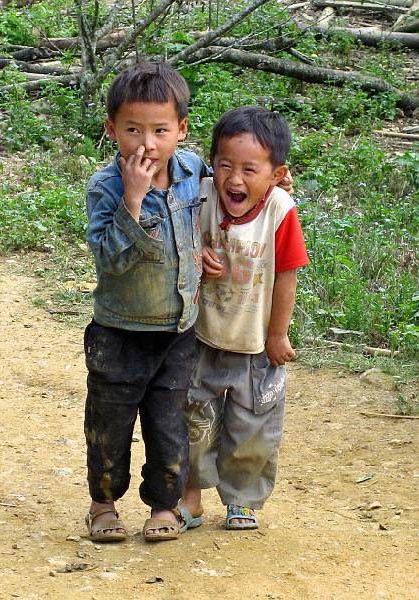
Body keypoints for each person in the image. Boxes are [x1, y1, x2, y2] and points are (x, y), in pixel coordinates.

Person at [83, 62, 210, 542]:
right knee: (109, 427)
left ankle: (163, 506)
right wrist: (132, 201)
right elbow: (109, 260)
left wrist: (265, 188)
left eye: (160, 130)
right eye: (133, 130)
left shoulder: (191, 169)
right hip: (118, 332)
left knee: (168, 427)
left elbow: (221, 196)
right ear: (112, 129)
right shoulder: (107, 187)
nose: (146, 144)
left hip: (176, 332)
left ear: (180, 129)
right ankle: (102, 504)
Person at [178, 106, 309, 531]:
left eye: (250, 170)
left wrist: (278, 333)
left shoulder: (280, 209)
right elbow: (180, 244)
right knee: (193, 419)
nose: (234, 180)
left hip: (254, 345)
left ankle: (243, 500)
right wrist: (199, 256)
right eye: (225, 166)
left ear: (276, 174)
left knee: (252, 426)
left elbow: (287, 275)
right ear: (211, 163)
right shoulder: (199, 196)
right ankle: (190, 499)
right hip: (201, 336)